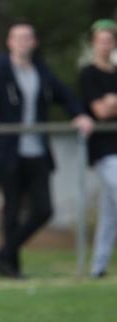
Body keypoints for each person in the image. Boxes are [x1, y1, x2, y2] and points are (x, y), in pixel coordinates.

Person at [0, 20, 93, 279]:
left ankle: (3, 254)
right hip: (9, 153)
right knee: (11, 211)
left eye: (28, 37)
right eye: (18, 37)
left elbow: (64, 94)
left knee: (44, 209)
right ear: (10, 42)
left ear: (33, 43)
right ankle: (11, 266)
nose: (23, 42)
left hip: (37, 152)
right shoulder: (0, 68)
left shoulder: (40, 69)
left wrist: (79, 114)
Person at [79, 19, 117, 278]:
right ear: (94, 43)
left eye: (109, 40)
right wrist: (108, 103)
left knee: (109, 210)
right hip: (104, 150)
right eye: (100, 40)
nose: (105, 45)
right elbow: (101, 111)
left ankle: (98, 267)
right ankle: (98, 265)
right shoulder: (89, 73)